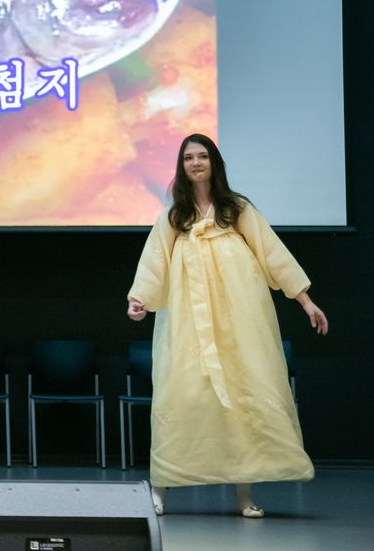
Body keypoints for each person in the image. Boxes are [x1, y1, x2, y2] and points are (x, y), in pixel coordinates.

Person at [126, 134, 328, 518]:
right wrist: (140, 301)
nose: (196, 163)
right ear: (181, 166)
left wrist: (305, 300)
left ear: (214, 162)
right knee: (182, 396)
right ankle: (162, 490)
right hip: (189, 321)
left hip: (239, 319)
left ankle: (244, 495)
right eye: (189, 157)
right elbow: (154, 262)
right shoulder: (173, 218)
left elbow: (273, 254)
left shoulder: (236, 209)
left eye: (203, 156)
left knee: (242, 394)